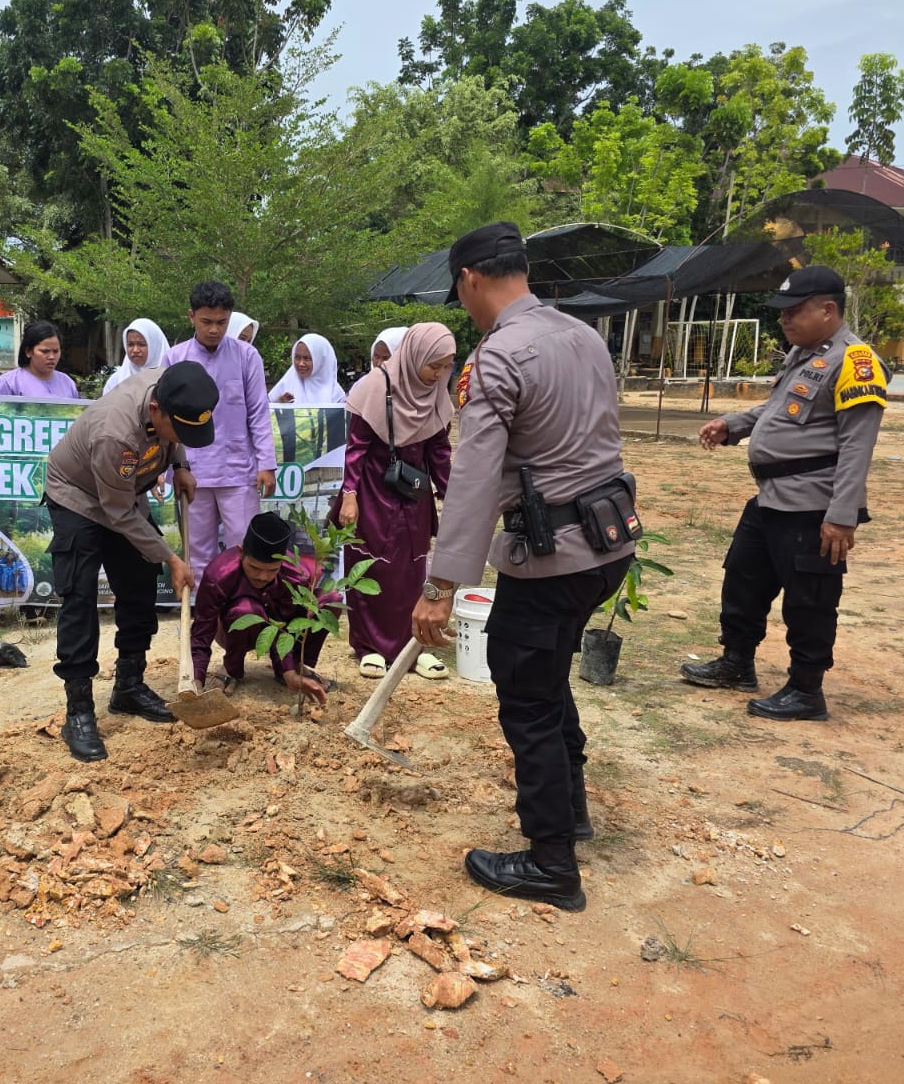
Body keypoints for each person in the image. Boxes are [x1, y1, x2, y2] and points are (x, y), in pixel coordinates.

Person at [410, 222, 636, 912]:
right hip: (608, 544)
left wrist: (440, 586)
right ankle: (570, 811)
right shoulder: (583, 335)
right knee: (549, 678)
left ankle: (550, 864)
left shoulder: (500, 357)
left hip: (553, 557)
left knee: (529, 702)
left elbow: (475, 479)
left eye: (459, 291)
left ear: (470, 278)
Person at [680, 264, 889, 719]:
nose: (784, 320)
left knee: (809, 600)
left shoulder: (855, 362)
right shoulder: (806, 354)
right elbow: (779, 410)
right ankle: (737, 663)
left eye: (794, 312)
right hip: (772, 499)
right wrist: (732, 425)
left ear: (828, 309)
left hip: (813, 506)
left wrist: (842, 513)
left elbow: (858, 445)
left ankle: (806, 691)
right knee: (743, 578)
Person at [43, 362, 215, 761]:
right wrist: (172, 558)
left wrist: (181, 464)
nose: (183, 437)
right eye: (181, 430)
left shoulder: (171, 387)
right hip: (78, 497)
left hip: (124, 492)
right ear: (156, 410)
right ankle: (79, 710)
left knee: (139, 581)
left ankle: (129, 686)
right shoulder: (114, 434)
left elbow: (179, 430)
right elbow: (117, 514)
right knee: (80, 596)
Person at [340, 323, 456, 681]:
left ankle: (413, 647)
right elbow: (356, 449)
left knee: (411, 570)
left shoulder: (436, 394)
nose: (439, 374)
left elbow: (438, 450)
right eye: (433, 365)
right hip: (373, 492)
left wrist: (453, 495)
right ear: (414, 354)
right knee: (372, 567)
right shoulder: (374, 387)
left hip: (414, 495)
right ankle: (369, 647)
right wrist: (349, 496)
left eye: (446, 365)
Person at [161, 281, 277, 577]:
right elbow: (164, 420)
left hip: (237, 471)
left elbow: (259, 414)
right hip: (191, 472)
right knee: (198, 554)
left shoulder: (247, 356)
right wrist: (163, 470)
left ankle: (241, 616)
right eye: (206, 322)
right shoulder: (174, 358)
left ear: (230, 317)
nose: (214, 329)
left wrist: (267, 464)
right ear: (191, 317)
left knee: (243, 549)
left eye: (222, 322)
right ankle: (204, 618)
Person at [190, 511, 335, 703]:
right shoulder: (218, 575)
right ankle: (232, 668)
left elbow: (290, 626)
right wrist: (196, 680)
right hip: (231, 629)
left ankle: (292, 667)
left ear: (283, 561)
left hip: (278, 629)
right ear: (241, 552)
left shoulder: (296, 575)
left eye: (272, 570)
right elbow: (202, 631)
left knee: (329, 599)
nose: (263, 577)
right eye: (254, 568)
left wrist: (289, 671)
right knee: (246, 610)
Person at [0, 320, 79, 398]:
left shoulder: (67, 383)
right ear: (28, 351)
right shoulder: (7, 384)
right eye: (45, 351)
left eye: (56, 351)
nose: (51, 357)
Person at [271, 333, 347, 406]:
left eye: (307, 358)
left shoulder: (335, 394)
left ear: (320, 360)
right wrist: (279, 403)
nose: (301, 363)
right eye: (297, 357)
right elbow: (266, 411)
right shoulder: (286, 383)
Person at [105, 319, 171, 393]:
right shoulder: (116, 381)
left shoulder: (170, 380)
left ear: (155, 346)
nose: (135, 350)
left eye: (141, 344)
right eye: (130, 344)